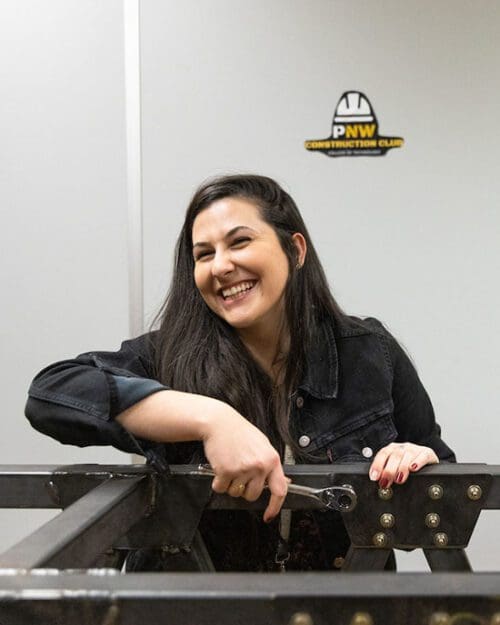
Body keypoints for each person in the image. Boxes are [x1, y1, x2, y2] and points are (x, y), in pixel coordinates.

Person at [25, 174, 455, 572]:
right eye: (204, 254)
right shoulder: (170, 354)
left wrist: (416, 466)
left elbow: (445, 507)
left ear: (296, 250)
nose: (221, 266)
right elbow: (51, 394)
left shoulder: (369, 352)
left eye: (240, 242)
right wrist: (212, 419)